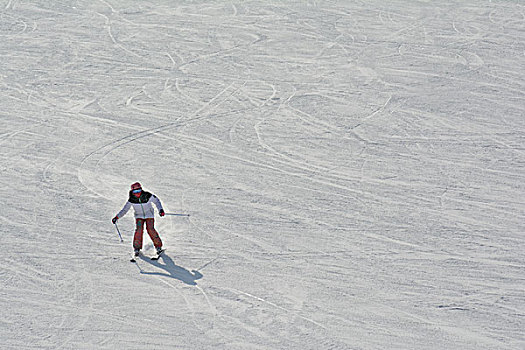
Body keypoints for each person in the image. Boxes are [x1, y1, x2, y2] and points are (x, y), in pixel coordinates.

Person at [112, 182, 165, 256]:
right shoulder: (131, 199)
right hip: (139, 216)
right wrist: (117, 217)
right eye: (135, 192)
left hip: (149, 215)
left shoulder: (147, 195)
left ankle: (158, 247)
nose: (137, 193)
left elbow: (157, 201)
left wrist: (160, 210)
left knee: (150, 229)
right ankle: (137, 248)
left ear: (141, 189)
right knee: (139, 230)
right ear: (132, 192)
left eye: (138, 191)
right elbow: (125, 210)